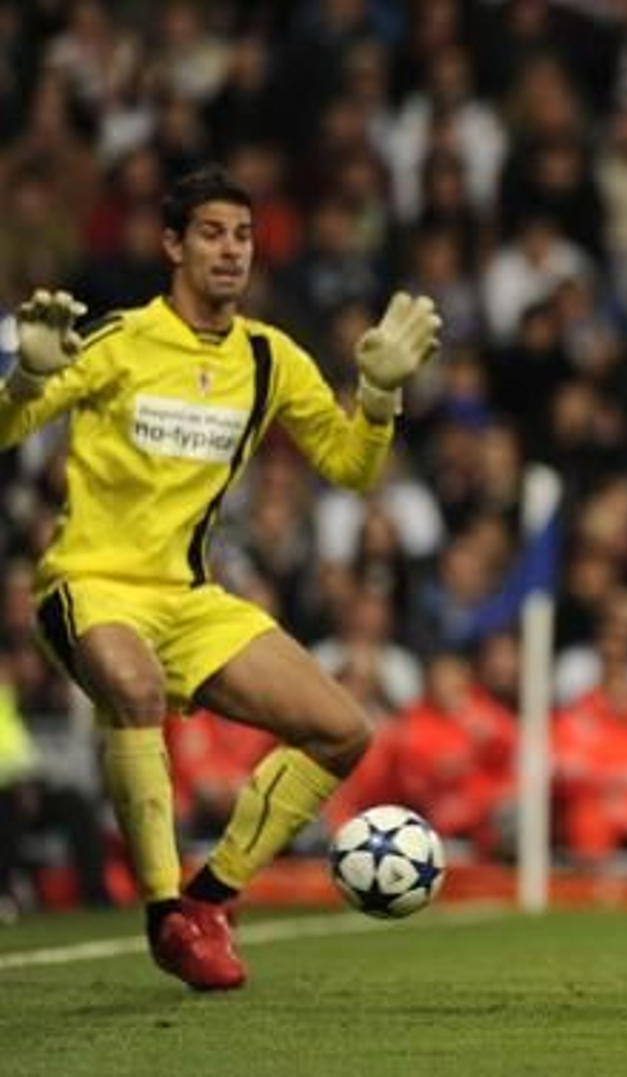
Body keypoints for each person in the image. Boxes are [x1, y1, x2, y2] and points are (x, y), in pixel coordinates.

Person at [0, 166, 440, 990]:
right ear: (173, 245)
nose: (231, 250)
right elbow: (10, 425)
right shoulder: (118, 340)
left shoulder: (270, 358)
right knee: (130, 691)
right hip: (90, 584)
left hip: (191, 599)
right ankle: (166, 913)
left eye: (241, 235)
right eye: (210, 232)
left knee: (341, 728)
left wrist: (378, 396)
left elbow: (350, 468)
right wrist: (23, 378)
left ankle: (211, 897)